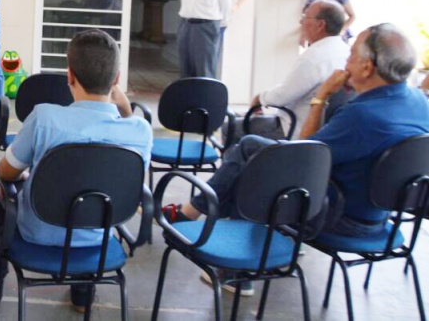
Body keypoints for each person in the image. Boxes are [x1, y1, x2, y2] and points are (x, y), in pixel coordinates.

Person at [162, 23, 429, 295]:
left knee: (254, 154)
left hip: (338, 219)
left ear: (366, 67)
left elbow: (303, 155)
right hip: (380, 219)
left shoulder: (363, 116)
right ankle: (201, 218)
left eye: (351, 54)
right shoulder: (420, 103)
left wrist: (321, 96)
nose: (346, 60)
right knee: (256, 152)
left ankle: (233, 263)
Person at [0, 30, 152, 312]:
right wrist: (126, 110)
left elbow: (6, 172)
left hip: (37, 233)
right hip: (97, 238)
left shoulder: (44, 118)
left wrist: (24, 176)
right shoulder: (140, 132)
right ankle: (83, 293)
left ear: (69, 76)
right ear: (116, 79)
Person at [248, 0, 350, 138]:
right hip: (326, 131)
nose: (301, 22)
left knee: (231, 127)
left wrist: (260, 98)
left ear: (320, 25)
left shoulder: (313, 58)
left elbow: (283, 96)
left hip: (294, 130)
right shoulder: (346, 51)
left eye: (305, 17)